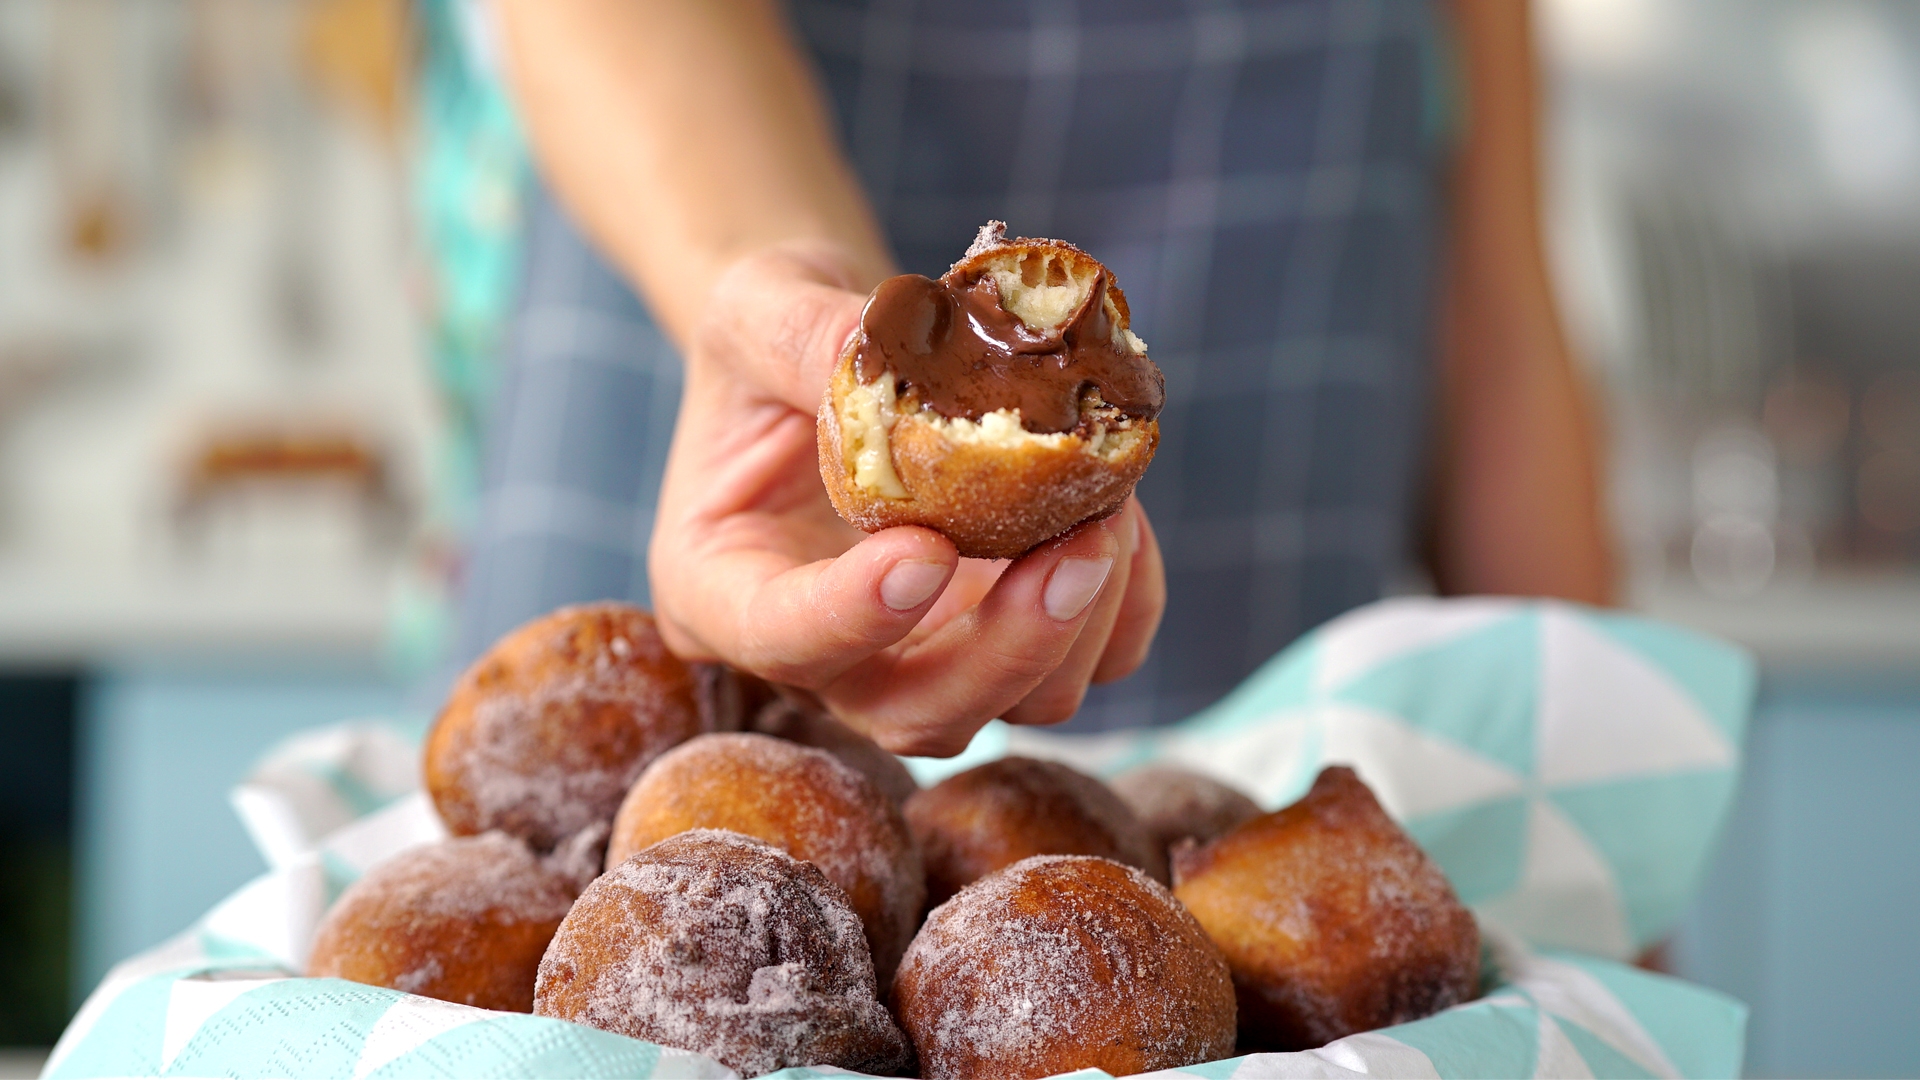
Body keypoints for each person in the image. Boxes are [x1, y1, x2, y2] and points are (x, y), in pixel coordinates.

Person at [455, 0, 1613, 757]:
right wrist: (813, 319)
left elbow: (1498, 322)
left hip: (1264, 684)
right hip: (716, 472)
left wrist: (1606, 884)